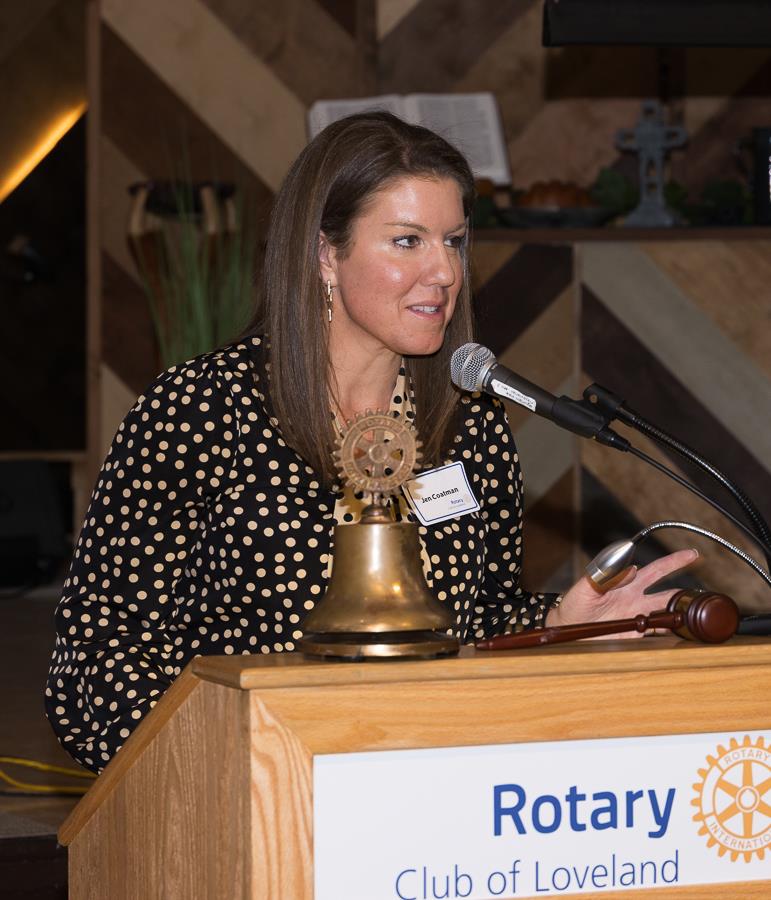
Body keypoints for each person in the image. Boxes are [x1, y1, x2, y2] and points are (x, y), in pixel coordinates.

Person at [45, 112, 696, 774]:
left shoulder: (470, 422)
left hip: (426, 771)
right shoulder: (198, 411)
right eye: (407, 241)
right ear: (325, 255)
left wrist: (559, 622)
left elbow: (479, 620)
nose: (443, 272)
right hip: (248, 782)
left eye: (453, 241)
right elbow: (99, 660)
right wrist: (235, 766)